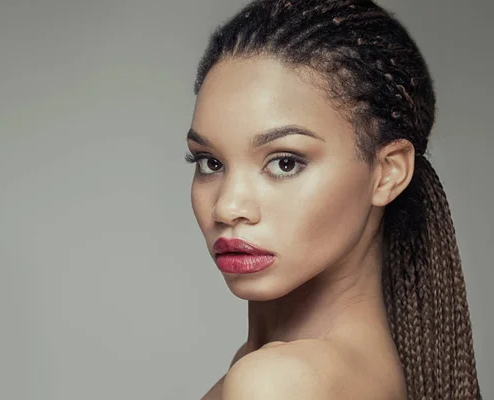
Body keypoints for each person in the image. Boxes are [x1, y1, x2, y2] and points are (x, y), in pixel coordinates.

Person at [185, 0, 481, 398]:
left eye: (285, 163)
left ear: (388, 172)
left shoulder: (277, 383)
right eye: (210, 162)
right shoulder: (356, 373)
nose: (227, 207)